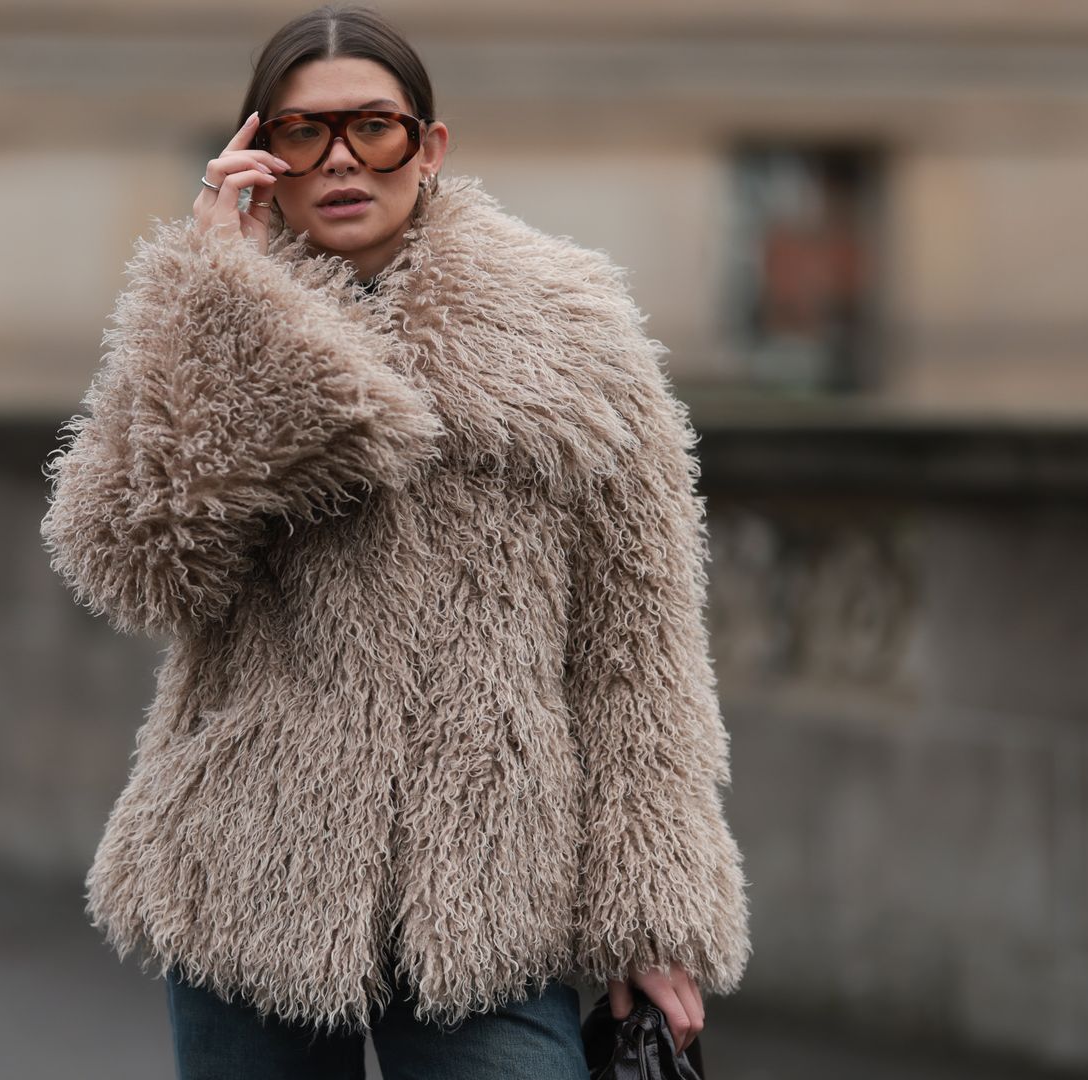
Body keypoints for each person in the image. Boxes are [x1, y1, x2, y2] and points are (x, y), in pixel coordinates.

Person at [39, 5, 751, 1077]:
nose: (339, 159)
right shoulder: (211, 316)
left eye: (371, 127)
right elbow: (131, 562)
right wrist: (223, 306)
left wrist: (651, 916)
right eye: (300, 132)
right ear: (255, 154)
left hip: (494, 885)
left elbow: (638, 648)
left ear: (430, 144)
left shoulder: (572, 329)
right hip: (252, 871)